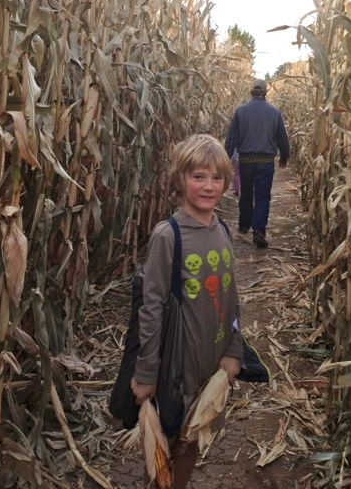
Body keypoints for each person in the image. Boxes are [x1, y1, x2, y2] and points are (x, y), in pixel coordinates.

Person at [131, 134, 242, 489]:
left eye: (217, 178)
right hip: (177, 365)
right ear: (180, 180)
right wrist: (147, 372)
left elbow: (231, 296)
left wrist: (233, 351)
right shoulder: (169, 236)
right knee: (165, 442)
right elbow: (151, 309)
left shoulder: (222, 231)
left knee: (192, 436)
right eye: (198, 176)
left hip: (212, 364)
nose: (208, 186)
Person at [225, 78, 289, 248]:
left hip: (245, 160)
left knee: (246, 193)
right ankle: (259, 230)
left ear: (251, 93)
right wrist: (284, 157)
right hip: (266, 162)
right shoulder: (274, 113)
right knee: (262, 196)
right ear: (265, 92)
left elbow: (232, 138)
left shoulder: (241, 111)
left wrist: (226, 158)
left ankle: (244, 225)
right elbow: (282, 138)